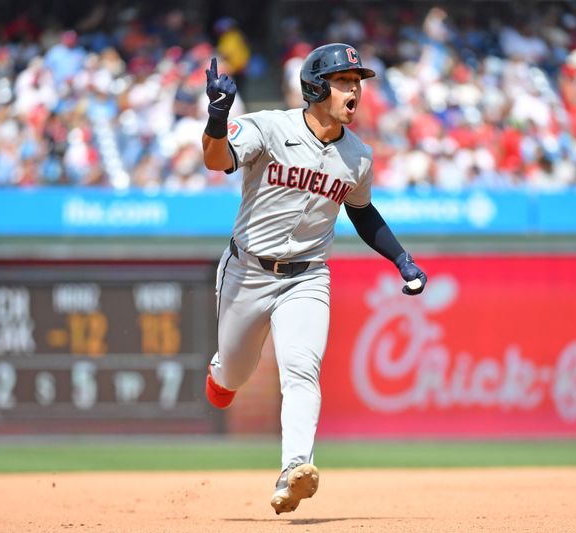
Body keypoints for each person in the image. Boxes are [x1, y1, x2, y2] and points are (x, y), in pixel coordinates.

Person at [201, 43, 427, 514]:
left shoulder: (358, 156)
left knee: (301, 369)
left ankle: (294, 469)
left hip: (307, 277)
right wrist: (217, 120)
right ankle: (221, 373)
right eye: (345, 82)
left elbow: (363, 215)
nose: (355, 91)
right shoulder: (270, 127)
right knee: (235, 375)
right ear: (317, 87)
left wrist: (401, 259)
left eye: (357, 82)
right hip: (248, 270)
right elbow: (215, 161)